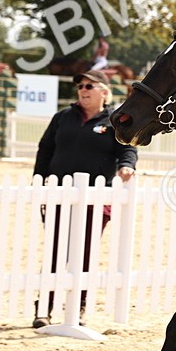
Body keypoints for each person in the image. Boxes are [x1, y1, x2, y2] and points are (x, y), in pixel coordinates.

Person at [33, 69, 137, 327]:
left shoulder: (115, 120)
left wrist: (127, 165)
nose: (83, 89)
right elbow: (45, 148)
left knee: (84, 254)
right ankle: (44, 309)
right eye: (81, 85)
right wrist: (39, 181)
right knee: (55, 252)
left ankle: (77, 308)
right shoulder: (62, 117)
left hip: (95, 199)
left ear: (104, 91)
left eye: (90, 85)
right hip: (59, 195)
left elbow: (128, 147)